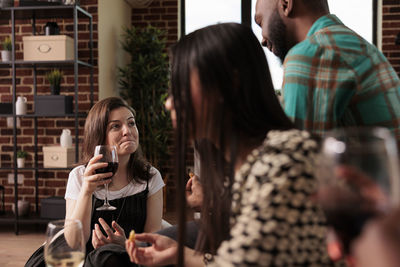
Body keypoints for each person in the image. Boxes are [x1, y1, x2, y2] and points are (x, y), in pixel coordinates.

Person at [125, 22, 341, 266]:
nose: (168, 104)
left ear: (228, 84)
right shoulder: (250, 163)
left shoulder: (284, 164)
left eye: (180, 87)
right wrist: (180, 254)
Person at [254, 0, 400, 140]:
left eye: (261, 23)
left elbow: (297, 160)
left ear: (286, 4)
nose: (263, 40)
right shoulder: (356, 45)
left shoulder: (312, 53)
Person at [65, 97, 164, 266]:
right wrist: (87, 191)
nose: (128, 131)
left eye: (131, 123)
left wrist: (126, 244)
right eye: (116, 126)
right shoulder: (79, 176)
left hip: (132, 259)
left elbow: (153, 240)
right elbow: (73, 243)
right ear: (99, 135)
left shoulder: (150, 177)